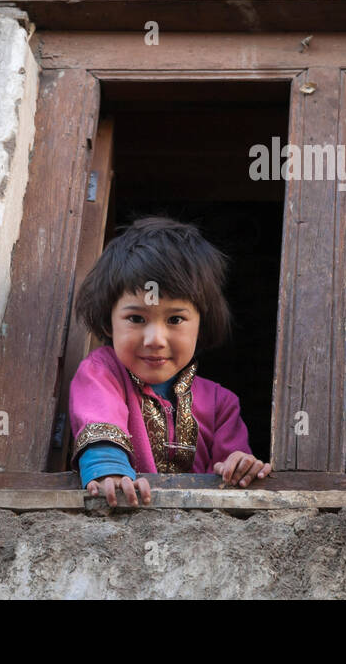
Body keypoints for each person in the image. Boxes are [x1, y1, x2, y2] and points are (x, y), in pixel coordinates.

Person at [68, 216, 271, 506]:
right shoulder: (101, 372)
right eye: (136, 318)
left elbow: (234, 480)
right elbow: (98, 415)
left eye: (175, 319)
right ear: (108, 322)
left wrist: (241, 467)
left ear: (202, 325)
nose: (155, 339)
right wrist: (108, 472)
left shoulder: (221, 404)